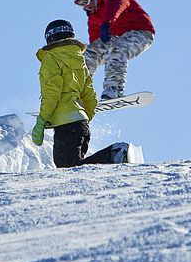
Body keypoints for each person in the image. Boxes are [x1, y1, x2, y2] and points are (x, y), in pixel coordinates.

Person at [32, 20, 129, 167]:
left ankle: (115, 152)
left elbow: (51, 94)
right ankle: (115, 155)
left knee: (67, 168)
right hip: (80, 124)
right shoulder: (79, 60)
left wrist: (41, 121)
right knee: (76, 168)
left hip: (66, 125)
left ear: (49, 38)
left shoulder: (50, 58)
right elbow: (90, 97)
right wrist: (82, 121)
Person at [72, 0, 155, 100]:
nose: (86, 6)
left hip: (140, 32)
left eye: (86, 0)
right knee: (88, 55)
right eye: (81, 4)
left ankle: (114, 89)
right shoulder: (93, 18)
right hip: (114, 37)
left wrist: (107, 22)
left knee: (117, 50)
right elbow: (96, 43)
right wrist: (96, 55)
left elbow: (118, 5)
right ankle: (77, 92)